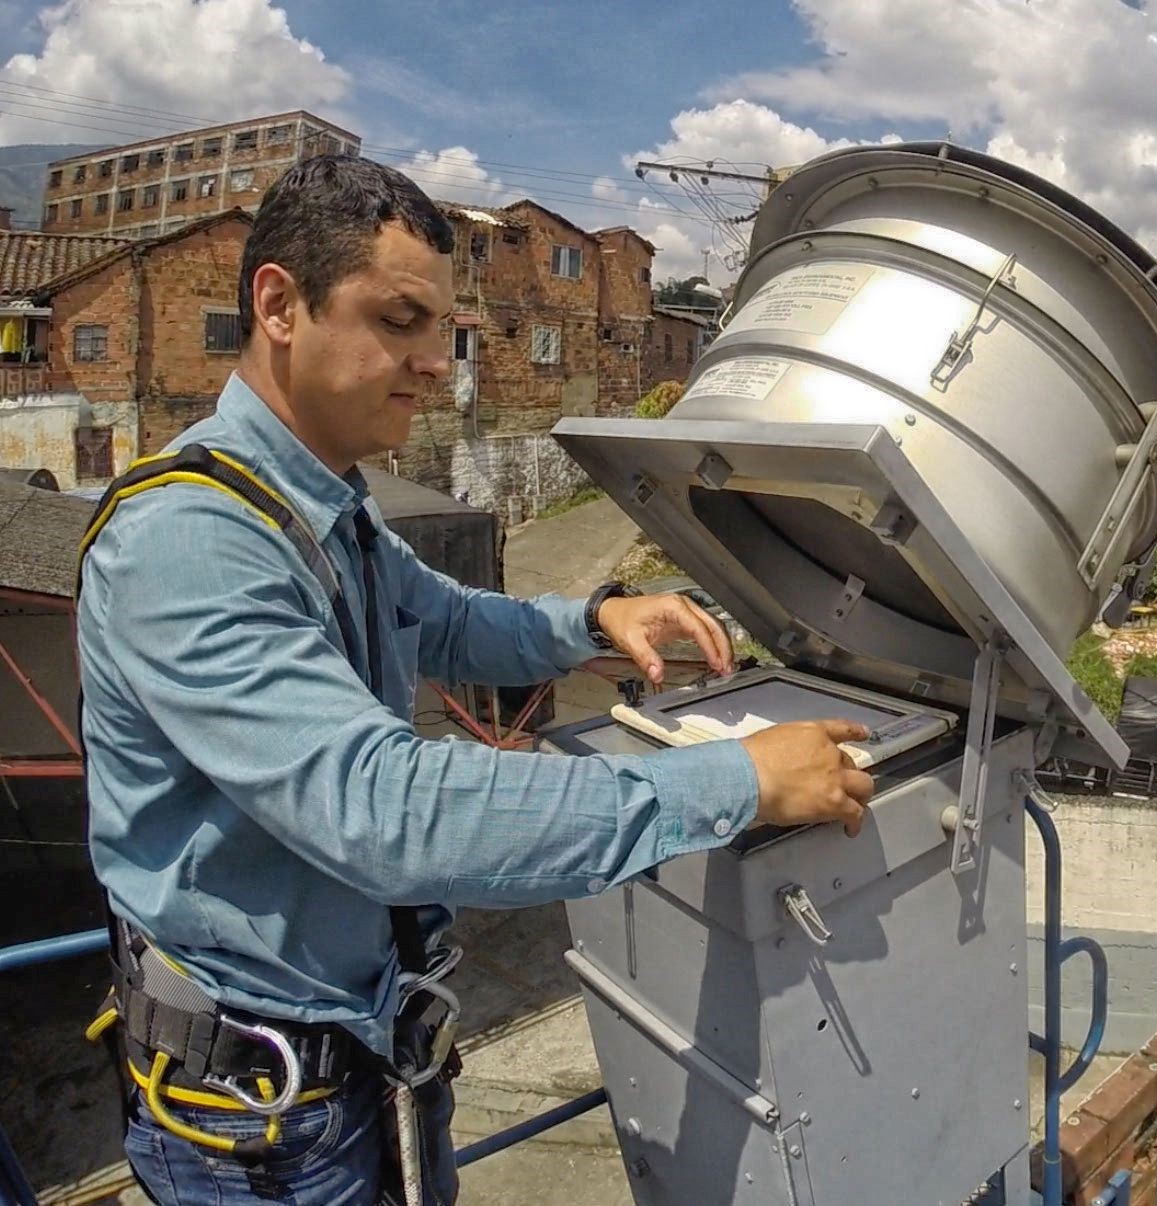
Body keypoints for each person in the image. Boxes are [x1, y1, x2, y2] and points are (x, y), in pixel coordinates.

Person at [74, 155, 875, 1204]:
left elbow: (449, 620)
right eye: (399, 322)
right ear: (278, 304)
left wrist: (591, 617)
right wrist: (733, 783)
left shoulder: (327, 506)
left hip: (372, 1055)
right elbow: (384, 809)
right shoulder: (192, 538)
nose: (433, 366)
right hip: (259, 1128)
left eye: (443, 335)